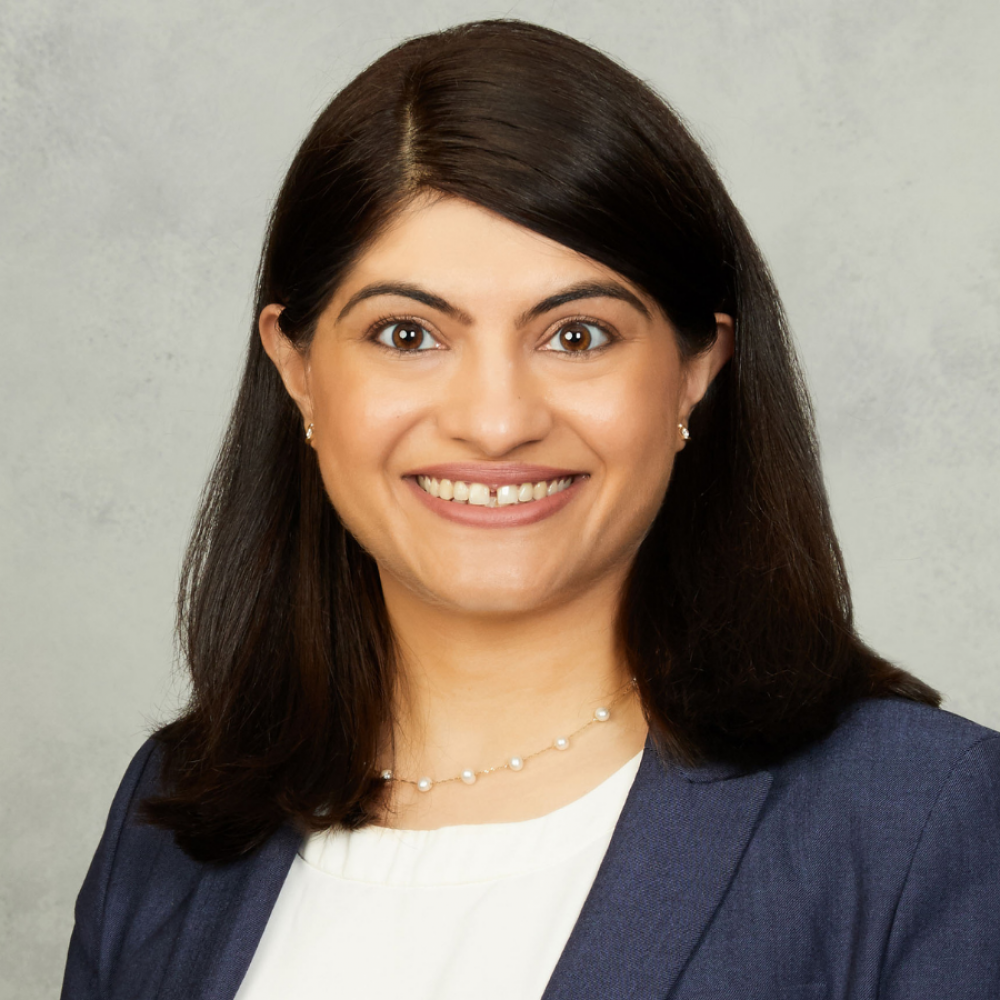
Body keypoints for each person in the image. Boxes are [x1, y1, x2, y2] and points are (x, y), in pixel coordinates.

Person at [60, 18, 1000, 1000]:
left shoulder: (919, 820)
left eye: (578, 334)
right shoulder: (175, 815)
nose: (496, 421)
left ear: (694, 371)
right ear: (296, 369)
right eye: (407, 333)